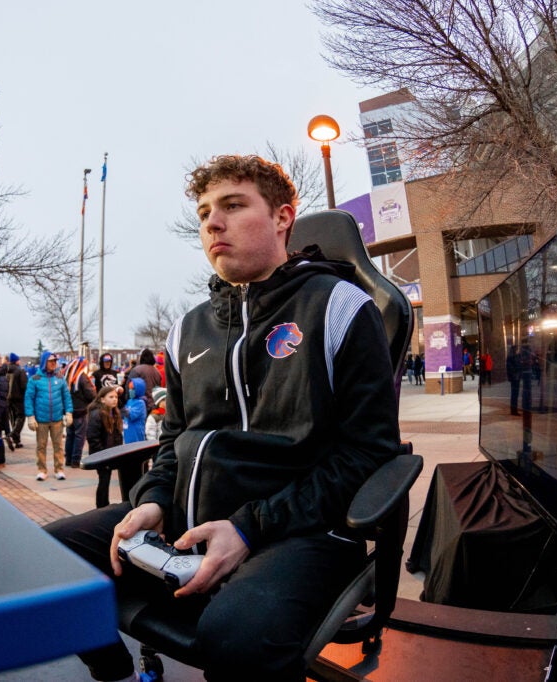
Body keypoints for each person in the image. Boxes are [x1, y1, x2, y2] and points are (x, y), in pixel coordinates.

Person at [45, 154, 399, 681]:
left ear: (283, 217)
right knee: (41, 556)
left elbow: (368, 454)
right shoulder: (188, 329)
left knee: (237, 639)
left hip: (299, 531)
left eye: (234, 206)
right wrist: (152, 501)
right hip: (186, 523)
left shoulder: (341, 308)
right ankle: (115, 670)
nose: (213, 222)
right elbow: (174, 440)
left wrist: (250, 528)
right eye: (206, 211)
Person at [24, 350, 73, 481]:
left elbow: (66, 397)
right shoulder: (35, 379)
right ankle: (41, 470)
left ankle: (59, 469)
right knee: (41, 446)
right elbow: (29, 398)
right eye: (51, 361)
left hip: (57, 419)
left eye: (55, 361)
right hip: (41, 419)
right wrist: (30, 416)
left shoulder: (60, 378)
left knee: (58, 445)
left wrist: (69, 412)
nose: (53, 364)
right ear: (44, 362)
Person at [88, 385, 125, 509]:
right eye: (111, 397)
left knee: (106, 479)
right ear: (102, 399)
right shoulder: (97, 414)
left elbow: (117, 435)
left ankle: (104, 504)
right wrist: (103, 455)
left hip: (111, 454)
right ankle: (102, 505)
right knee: (104, 480)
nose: (115, 399)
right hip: (102, 455)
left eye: (115, 397)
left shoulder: (114, 412)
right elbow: (93, 437)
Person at [65, 357, 96, 468]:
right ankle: (75, 460)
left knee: (70, 435)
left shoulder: (67, 377)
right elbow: (91, 395)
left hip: (70, 410)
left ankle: (68, 459)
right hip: (81, 411)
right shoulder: (82, 377)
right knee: (79, 436)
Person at [124, 348, 161, 414]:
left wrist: (127, 400)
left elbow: (129, 387)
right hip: (153, 405)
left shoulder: (137, 370)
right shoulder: (157, 372)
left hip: (139, 405)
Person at [6, 352, 26, 449]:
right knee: (21, 417)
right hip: (18, 398)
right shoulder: (20, 371)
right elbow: (24, 386)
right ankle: (12, 435)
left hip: (8, 399)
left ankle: (16, 441)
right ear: (16, 361)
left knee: (13, 419)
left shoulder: (6, 371)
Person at [122, 377, 147, 444]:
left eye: (133, 389)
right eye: (129, 389)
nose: (130, 391)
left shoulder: (140, 403)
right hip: (127, 434)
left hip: (136, 436)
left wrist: (120, 405)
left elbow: (130, 415)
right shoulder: (129, 401)